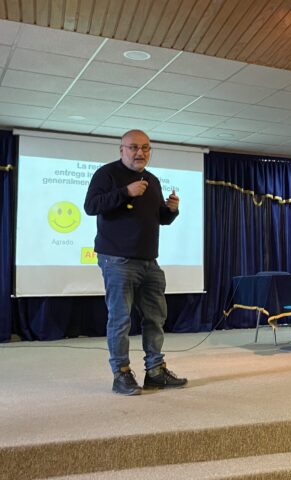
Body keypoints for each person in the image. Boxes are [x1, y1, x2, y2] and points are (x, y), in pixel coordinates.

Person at [84, 129, 187, 396]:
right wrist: (125, 192)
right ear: (122, 150)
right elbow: (91, 206)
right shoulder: (107, 174)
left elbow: (159, 218)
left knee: (156, 318)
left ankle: (155, 372)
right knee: (120, 320)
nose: (140, 152)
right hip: (117, 259)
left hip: (149, 261)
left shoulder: (152, 180)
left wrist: (171, 210)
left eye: (145, 148)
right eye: (133, 147)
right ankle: (121, 374)